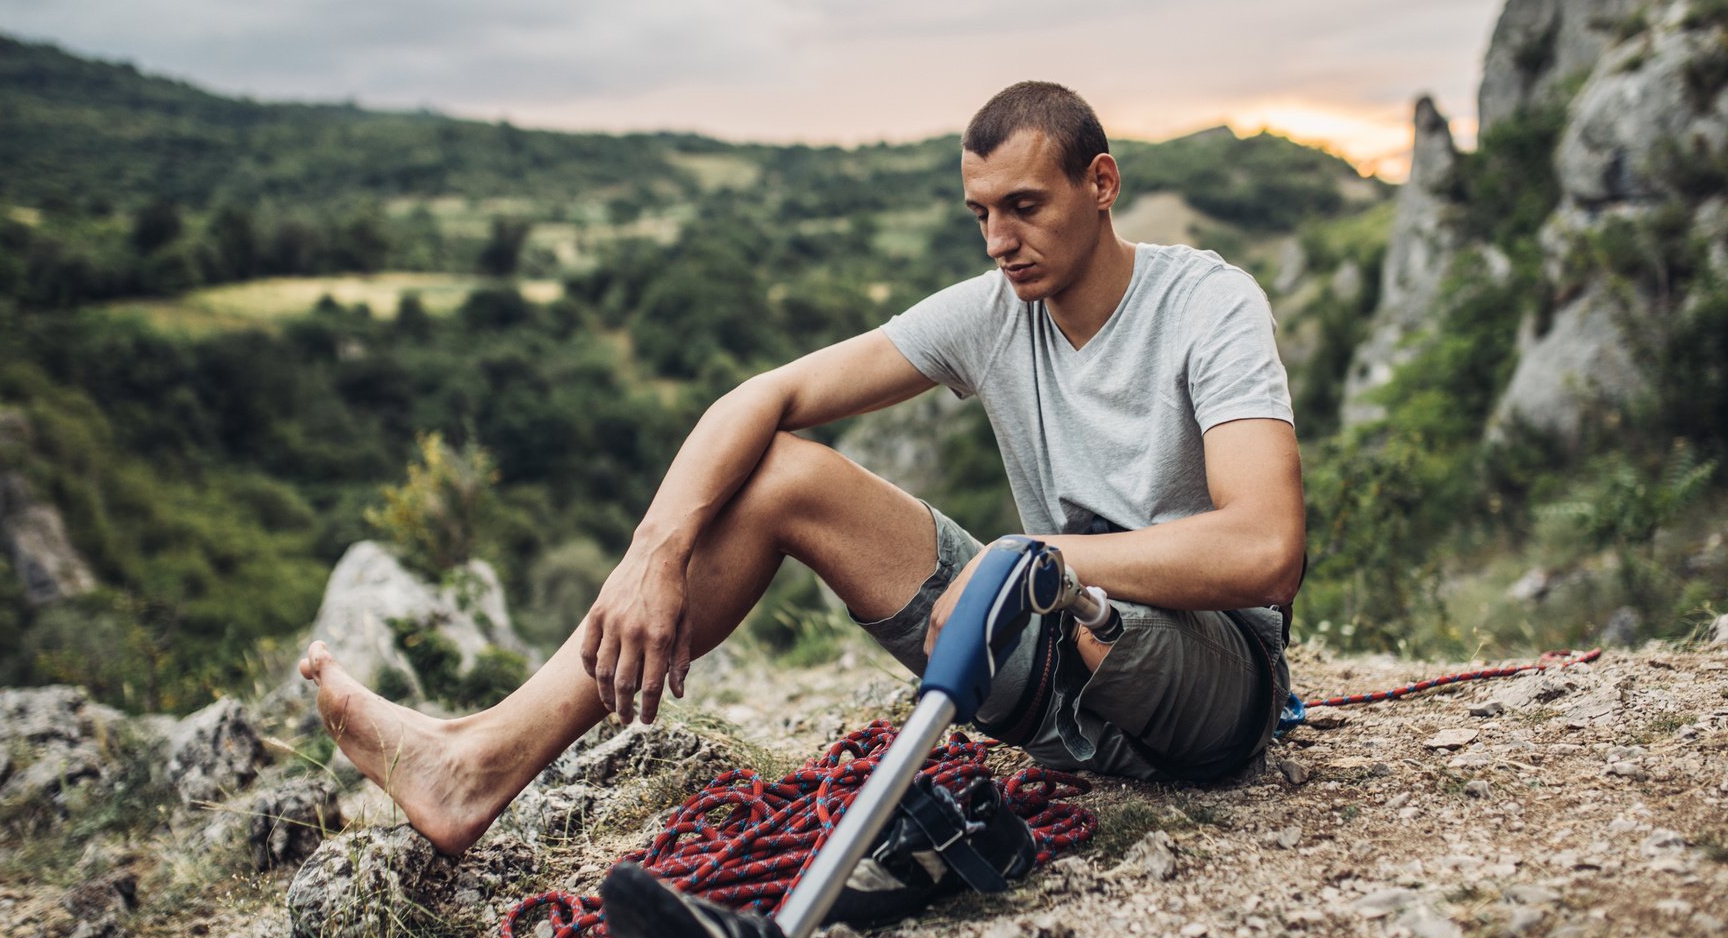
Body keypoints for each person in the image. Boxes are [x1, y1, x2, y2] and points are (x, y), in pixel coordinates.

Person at [299, 79, 1306, 861]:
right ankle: (478, 765)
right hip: (1055, 673)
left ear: (1101, 184)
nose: (1000, 241)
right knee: (782, 473)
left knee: (1059, 590)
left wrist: (1035, 556)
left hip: (1209, 685)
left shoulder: (1206, 306)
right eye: (980, 212)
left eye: (1026, 206)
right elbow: (761, 397)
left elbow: (1265, 550)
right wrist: (653, 550)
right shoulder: (995, 311)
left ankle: (1045, 595)